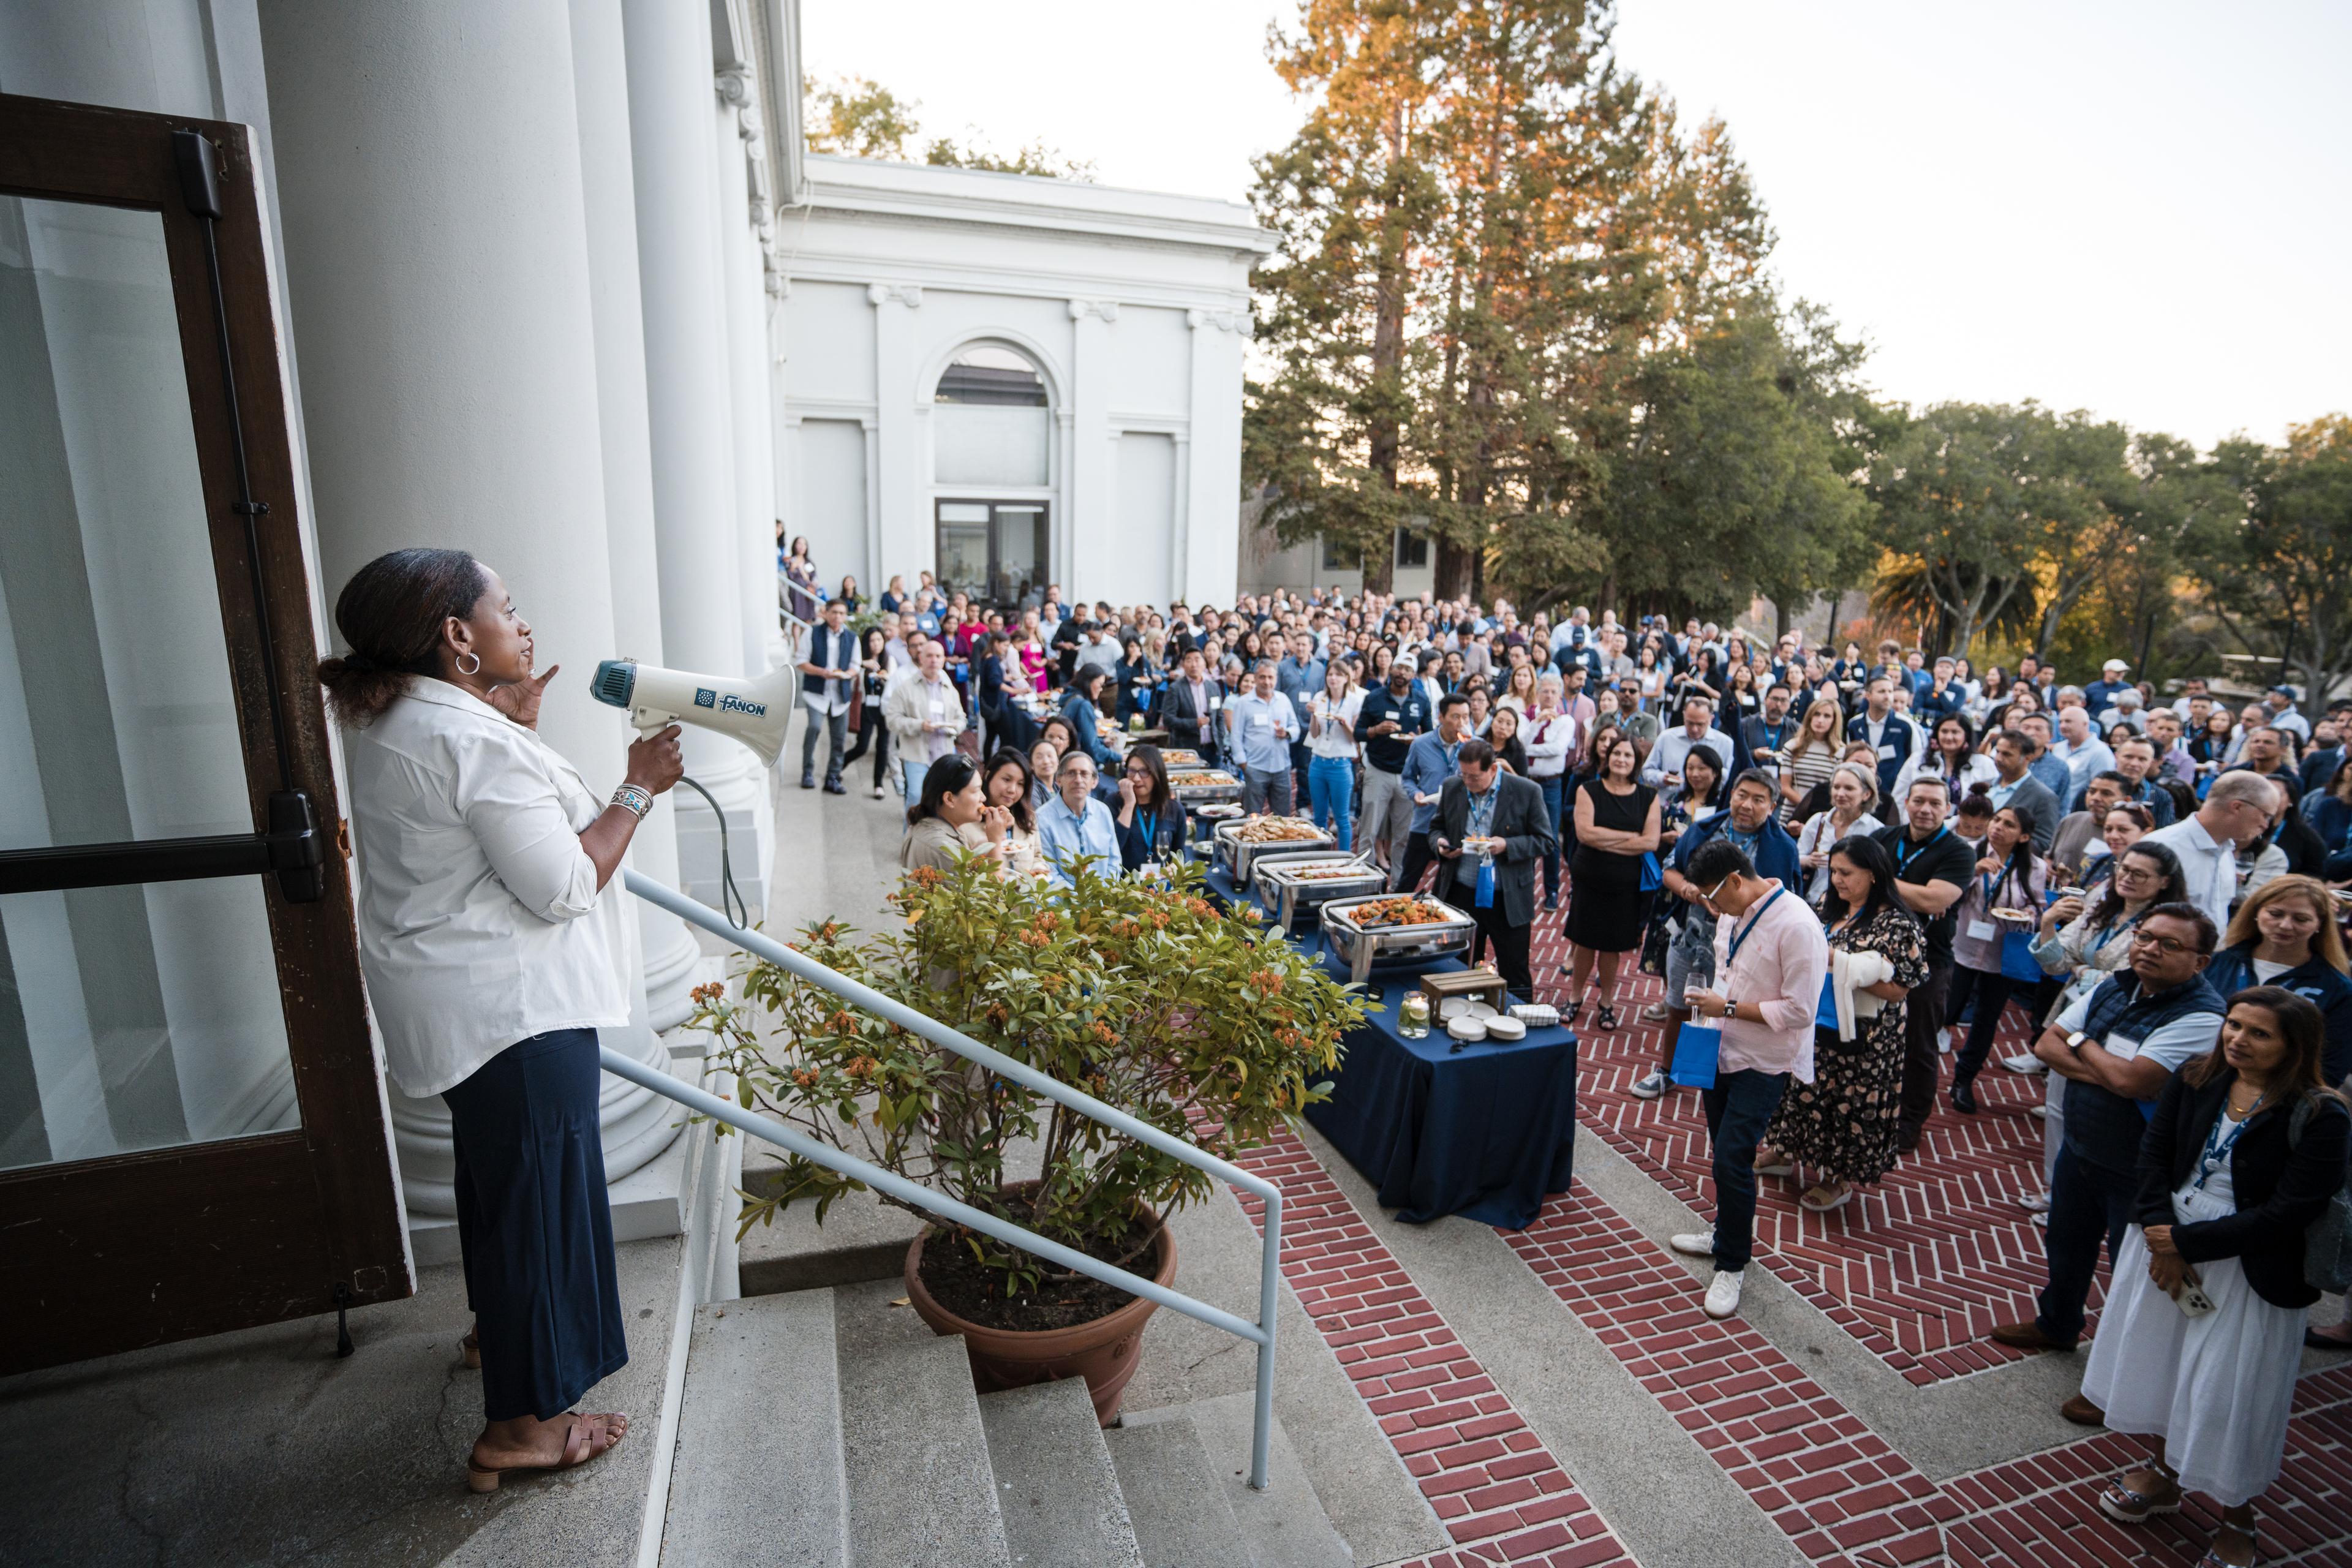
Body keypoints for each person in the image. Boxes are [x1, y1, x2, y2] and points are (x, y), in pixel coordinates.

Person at [323, 548, 681, 1489]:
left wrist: (510, 721)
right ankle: (526, 1427)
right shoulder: (466, 738)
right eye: (507, 609)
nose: (523, 625)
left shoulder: (408, 720)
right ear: (455, 637)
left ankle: (503, 1342)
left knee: (501, 1192)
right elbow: (565, 881)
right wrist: (639, 786)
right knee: (543, 1208)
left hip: (466, 1005)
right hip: (517, 1010)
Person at [2078, 989, 2348, 1567]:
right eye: (2233, 1025)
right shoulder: (2197, 1077)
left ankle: (2237, 1516)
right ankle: (2163, 1472)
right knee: (2160, 1362)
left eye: (2258, 1033)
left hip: (2247, 1267)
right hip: (2164, 1240)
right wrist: (2159, 1231)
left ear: (2294, 1046)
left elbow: (2290, 1210)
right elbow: (2152, 1156)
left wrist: (2182, 1244)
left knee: (2231, 1389)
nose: (2237, 1040)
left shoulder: (2321, 1114)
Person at [1991, 904, 2227, 1378]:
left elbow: (2131, 1081)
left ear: (2201, 961)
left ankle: (2120, 1377)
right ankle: (2057, 1325)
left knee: (2131, 1275)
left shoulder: (2203, 1016)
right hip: (2081, 1148)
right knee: (2065, 1246)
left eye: (2170, 945)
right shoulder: (2113, 985)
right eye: (2145, 937)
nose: (2150, 949)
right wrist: (2101, 1065)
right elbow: (2046, 1046)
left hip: (2139, 1167)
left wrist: (2081, 1045)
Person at [1666, 835, 1831, 1320]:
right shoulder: (1734, 912)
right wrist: (1712, 1009)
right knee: (1722, 1152)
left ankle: (1733, 1263)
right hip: (1722, 1047)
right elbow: (1727, 970)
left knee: (1735, 1158)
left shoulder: (1799, 925)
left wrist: (1729, 1007)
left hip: (1766, 1060)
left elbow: (1802, 1011)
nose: (1711, 909)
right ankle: (1724, 1232)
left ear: (1736, 880)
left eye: (1713, 898)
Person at [1758, 834, 1924, 1213]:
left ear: (1874, 874)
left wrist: (1837, 962)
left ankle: (1837, 1179)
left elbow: (1899, 989)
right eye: (1833, 871)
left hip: (1865, 1036)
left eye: (1847, 873)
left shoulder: (1897, 924)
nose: (1837, 880)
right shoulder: (1828, 908)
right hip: (1816, 1020)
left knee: (1846, 1102)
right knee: (1800, 1087)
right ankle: (1783, 1151)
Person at [1637, 771, 1803, 1099]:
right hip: (1693, 935)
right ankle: (1668, 1071)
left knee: (1728, 1012)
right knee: (1680, 1006)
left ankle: (1714, 1079)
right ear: (1730, 795)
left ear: (1772, 807)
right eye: (1742, 795)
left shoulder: (1783, 847)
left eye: (1759, 800)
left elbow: (1788, 900)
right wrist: (1693, 893)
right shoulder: (1705, 829)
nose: (1748, 805)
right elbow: (1670, 870)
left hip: (1747, 947)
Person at [1873, 778, 1978, 1150]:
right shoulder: (1884, 836)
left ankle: (1910, 1121)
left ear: (1948, 808)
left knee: (1918, 1044)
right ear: (1906, 801)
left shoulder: (1959, 852)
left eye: (1935, 803)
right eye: (1918, 800)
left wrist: (1878, 880)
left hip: (1928, 960)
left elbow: (1936, 900)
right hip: (1874, 951)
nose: (1925, 809)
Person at [1430, 738, 1556, 1000]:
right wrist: (1440, 845)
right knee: (1457, 963)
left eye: (1474, 777)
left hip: (1505, 895)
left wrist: (1506, 845)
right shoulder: (1453, 787)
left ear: (1494, 770)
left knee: (1514, 967)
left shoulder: (1526, 791)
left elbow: (1545, 841)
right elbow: (1436, 828)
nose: (1468, 783)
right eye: (1463, 775)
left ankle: (1521, 1024)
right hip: (1461, 892)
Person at [1945, 805, 2049, 1112]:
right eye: (1997, 820)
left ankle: (1964, 1079)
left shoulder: (2035, 867)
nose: (1998, 827)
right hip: (1963, 945)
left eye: (2009, 824)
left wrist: (2028, 915)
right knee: (1947, 1009)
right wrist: (1972, 873)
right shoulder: (1968, 852)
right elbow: (1949, 896)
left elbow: (2039, 906)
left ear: (2024, 836)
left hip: (2003, 953)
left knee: (1987, 1018)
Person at [2204, 875, 2352, 1084]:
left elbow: (2330, 1069)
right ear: (2256, 912)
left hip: (2275, 1100)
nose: (2285, 925)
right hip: (2200, 1083)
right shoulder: (2215, 963)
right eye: (2275, 914)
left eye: (2301, 919)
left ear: (2320, 923)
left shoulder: (2338, 989)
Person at [1564, 731, 1662, 1031]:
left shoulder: (1649, 797)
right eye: (1617, 753)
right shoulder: (1590, 790)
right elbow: (1585, 834)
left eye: (1628, 755)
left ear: (1636, 761)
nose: (1622, 759)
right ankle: (1575, 996)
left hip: (1626, 884)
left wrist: (1606, 839)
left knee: (1611, 946)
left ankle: (1606, 1001)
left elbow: (1651, 842)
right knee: (1583, 941)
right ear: (1608, 757)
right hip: (1590, 878)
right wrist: (1629, 838)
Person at [2143, 771, 2277, 930]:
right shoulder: (2161, 847)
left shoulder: (2225, 851)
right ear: (2237, 807)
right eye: (2265, 815)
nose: (2266, 825)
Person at [1396, 693, 1471, 893]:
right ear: (1441, 717)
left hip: (1458, 825)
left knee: (1450, 886)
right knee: (1408, 881)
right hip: (1424, 822)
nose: (1461, 723)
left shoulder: (1474, 746)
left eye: (1465, 717)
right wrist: (1415, 794)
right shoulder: (1421, 744)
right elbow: (1408, 778)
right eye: (1456, 717)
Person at [886, 639, 967, 809]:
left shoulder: (949, 688)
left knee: (940, 803)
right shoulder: (906, 688)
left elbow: (961, 718)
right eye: (929, 656)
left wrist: (954, 727)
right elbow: (892, 720)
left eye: (938, 656)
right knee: (916, 798)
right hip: (917, 754)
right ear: (921, 658)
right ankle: (911, 835)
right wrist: (919, 725)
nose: (934, 660)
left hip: (943, 754)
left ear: (944, 660)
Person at [901, 753, 1010, 876]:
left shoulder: (922, 825)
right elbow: (994, 895)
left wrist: (988, 841)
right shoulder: (946, 850)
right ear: (949, 799)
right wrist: (995, 843)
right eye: (976, 791)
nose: (983, 797)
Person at [1525, 673, 1577, 910]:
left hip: (1551, 783)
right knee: (1523, 834)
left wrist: (1530, 748)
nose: (1549, 696)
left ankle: (1552, 890)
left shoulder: (1566, 721)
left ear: (1559, 695)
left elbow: (1558, 749)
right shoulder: (1526, 717)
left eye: (1554, 692)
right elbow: (1519, 745)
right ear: (1538, 693)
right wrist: (1536, 725)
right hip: (1526, 781)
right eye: (1544, 691)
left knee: (1551, 838)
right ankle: (1524, 887)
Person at [796, 597, 859, 794]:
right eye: (834, 612)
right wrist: (822, 672)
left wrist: (847, 674)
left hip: (840, 695)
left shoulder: (852, 637)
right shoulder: (812, 633)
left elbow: (856, 665)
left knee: (839, 739)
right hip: (817, 693)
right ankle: (807, 771)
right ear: (826, 613)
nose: (838, 617)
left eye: (842, 613)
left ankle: (833, 776)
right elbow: (801, 661)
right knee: (814, 728)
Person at [1796, 763, 1883, 905]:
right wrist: (1807, 860)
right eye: (1836, 787)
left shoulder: (1876, 830)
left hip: (1850, 907)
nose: (1840, 794)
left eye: (1849, 788)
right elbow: (1795, 858)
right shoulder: (1819, 822)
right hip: (1810, 902)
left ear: (1867, 794)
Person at [1224, 659, 1301, 815]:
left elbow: (1296, 728)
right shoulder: (1243, 703)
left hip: (1281, 768)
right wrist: (1244, 765)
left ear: (1276, 679)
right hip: (1255, 768)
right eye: (1262, 677)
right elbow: (1236, 736)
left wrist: (1287, 733)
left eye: (1271, 678)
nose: (1267, 682)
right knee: (1253, 817)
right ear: (1256, 678)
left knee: (1282, 818)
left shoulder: (1283, 700)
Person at [1035, 749, 1120, 888]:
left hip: (1103, 900)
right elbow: (1049, 870)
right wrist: (1077, 899)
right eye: (1071, 773)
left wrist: (1104, 893)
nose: (1078, 780)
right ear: (1058, 779)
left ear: (1095, 781)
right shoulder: (1042, 818)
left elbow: (1115, 860)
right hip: (1062, 903)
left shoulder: (1103, 811)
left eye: (1085, 774)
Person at [1304, 660, 1363, 850]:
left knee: (1342, 817)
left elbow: (1354, 738)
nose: (1333, 678)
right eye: (1330, 674)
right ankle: (1319, 854)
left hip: (1340, 763)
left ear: (1346, 678)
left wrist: (1344, 723)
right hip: (1318, 761)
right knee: (1319, 815)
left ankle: (1343, 857)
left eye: (1338, 675)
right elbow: (1314, 734)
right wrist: (1314, 715)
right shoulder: (1320, 697)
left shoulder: (1354, 701)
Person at [1980, 728, 2064, 854]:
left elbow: (2043, 842)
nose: (1999, 758)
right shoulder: (1986, 786)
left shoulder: (2044, 797)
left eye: (2007, 754)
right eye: (1998, 752)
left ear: (2028, 758)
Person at [1112, 744, 1189, 871]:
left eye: (1144, 772)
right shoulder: (1114, 803)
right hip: (1123, 886)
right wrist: (1129, 804)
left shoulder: (1174, 809)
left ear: (1156, 773)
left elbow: (1180, 856)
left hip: (1161, 886)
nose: (1137, 778)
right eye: (1131, 771)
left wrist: (1175, 868)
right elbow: (1112, 849)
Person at [1847, 676, 1924, 799]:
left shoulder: (1905, 726)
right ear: (1868, 695)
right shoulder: (1855, 725)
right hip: (1860, 794)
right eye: (1882, 691)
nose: (1888, 696)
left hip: (1894, 796)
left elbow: (1918, 760)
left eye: (1890, 691)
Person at [1777, 697, 1845, 824]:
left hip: (1823, 817)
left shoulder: (1840, 752)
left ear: (1834, 720)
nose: (1820, 720)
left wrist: (1815, 810)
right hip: (1791, 815)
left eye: (1827, 716)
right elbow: (1785, 787)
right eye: (1817, 714)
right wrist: (1806, 806)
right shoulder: (1792, 747)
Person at [981, 749, 1047, 879]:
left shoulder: (1029, 818)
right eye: (1007, 780)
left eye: (1020, 784)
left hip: (1028, 895)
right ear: (988, 776)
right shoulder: (970, 820)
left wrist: (1039, 872)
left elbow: (1038, 857)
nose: (1012, 790)